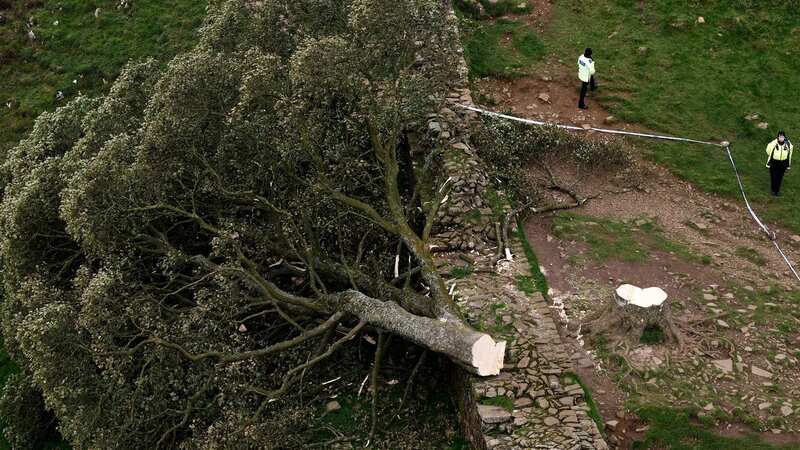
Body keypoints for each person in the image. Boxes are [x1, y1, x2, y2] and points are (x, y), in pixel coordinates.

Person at [766, 130, 793, 196]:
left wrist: (788, 165)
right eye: (780, 137)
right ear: (778, 137)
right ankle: (773, 190)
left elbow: (789, 154)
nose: (781, 138)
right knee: (773, 177)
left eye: (782, 137)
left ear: (784, 137)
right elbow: (768, 151)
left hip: (783, 163)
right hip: (774, 162)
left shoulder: (788, 144)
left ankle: (777, 191)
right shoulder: (773, 143)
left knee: (779, 177)